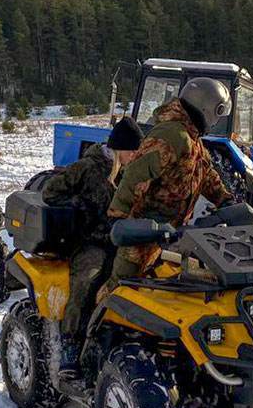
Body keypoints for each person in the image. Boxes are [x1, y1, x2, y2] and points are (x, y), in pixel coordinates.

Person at [100, 77, 234, 298]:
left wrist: (224, 199)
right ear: (207, 108)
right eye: (218, 113)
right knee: (120, 292)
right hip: (144, 232)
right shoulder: (172, 135)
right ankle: (92, 329)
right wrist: (118, 216)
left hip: (169, 233)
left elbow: (205, 173)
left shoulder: (192, 138)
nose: (217, 120)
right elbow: (136, 174)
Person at [41, 117, 144, 376]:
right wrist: (79, 205)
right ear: (120, 148)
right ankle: (70, 345)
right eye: (132, 150)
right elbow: (50, 192)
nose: (135, 155)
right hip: (91, 241)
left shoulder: (129, 173)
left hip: (122, 240)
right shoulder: (87, 167)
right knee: (87, 280)